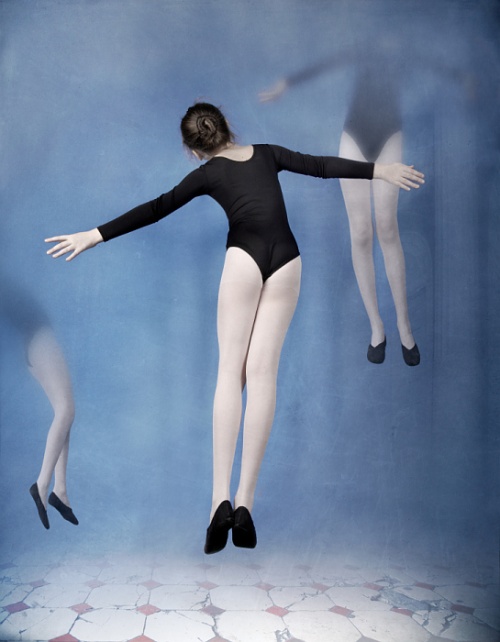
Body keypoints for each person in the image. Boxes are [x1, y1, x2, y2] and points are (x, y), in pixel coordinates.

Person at [45, 102, 423, 553]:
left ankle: (218, 502)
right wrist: (381, 170)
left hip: (245, 257)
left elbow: (157, 207)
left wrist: (94, 234)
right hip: (288, 260)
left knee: (230, 373)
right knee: (262, 375)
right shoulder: (267, 153)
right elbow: (322, 166)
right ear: (228, 125)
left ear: (193, 151)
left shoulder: (206, 174)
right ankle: (246, 503)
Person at [260, 42, 422, 365]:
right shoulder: (361, 43)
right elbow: (329, 61)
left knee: (387, 227)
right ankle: (377, 327)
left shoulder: (403, 41)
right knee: (360, 232)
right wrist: (287, 83)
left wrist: (461, 76)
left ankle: (404, 325)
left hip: (390, 133)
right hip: (354, 136)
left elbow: (430, 57)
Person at [0, 277, 78, 529]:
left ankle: (60, 491)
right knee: (66, 411)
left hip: (33, 341)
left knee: (64, 413)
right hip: (39, 337)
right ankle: (42, 485)